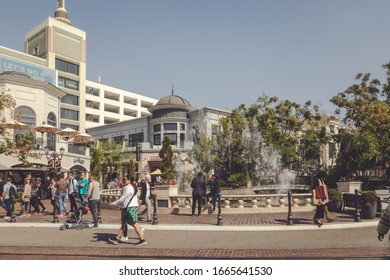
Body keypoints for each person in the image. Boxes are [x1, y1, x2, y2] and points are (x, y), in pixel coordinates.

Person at [109, 175, 146, 246]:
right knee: (124, 224)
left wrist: (113, 203)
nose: (123, 180)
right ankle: (117, 239)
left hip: (129, 207)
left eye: (125, 179)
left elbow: (123, 198)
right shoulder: (133, 186)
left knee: (134, 223)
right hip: (131, 206)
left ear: (129, 180)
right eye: (123, 179)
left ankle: (142, 239)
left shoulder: (128, 187)